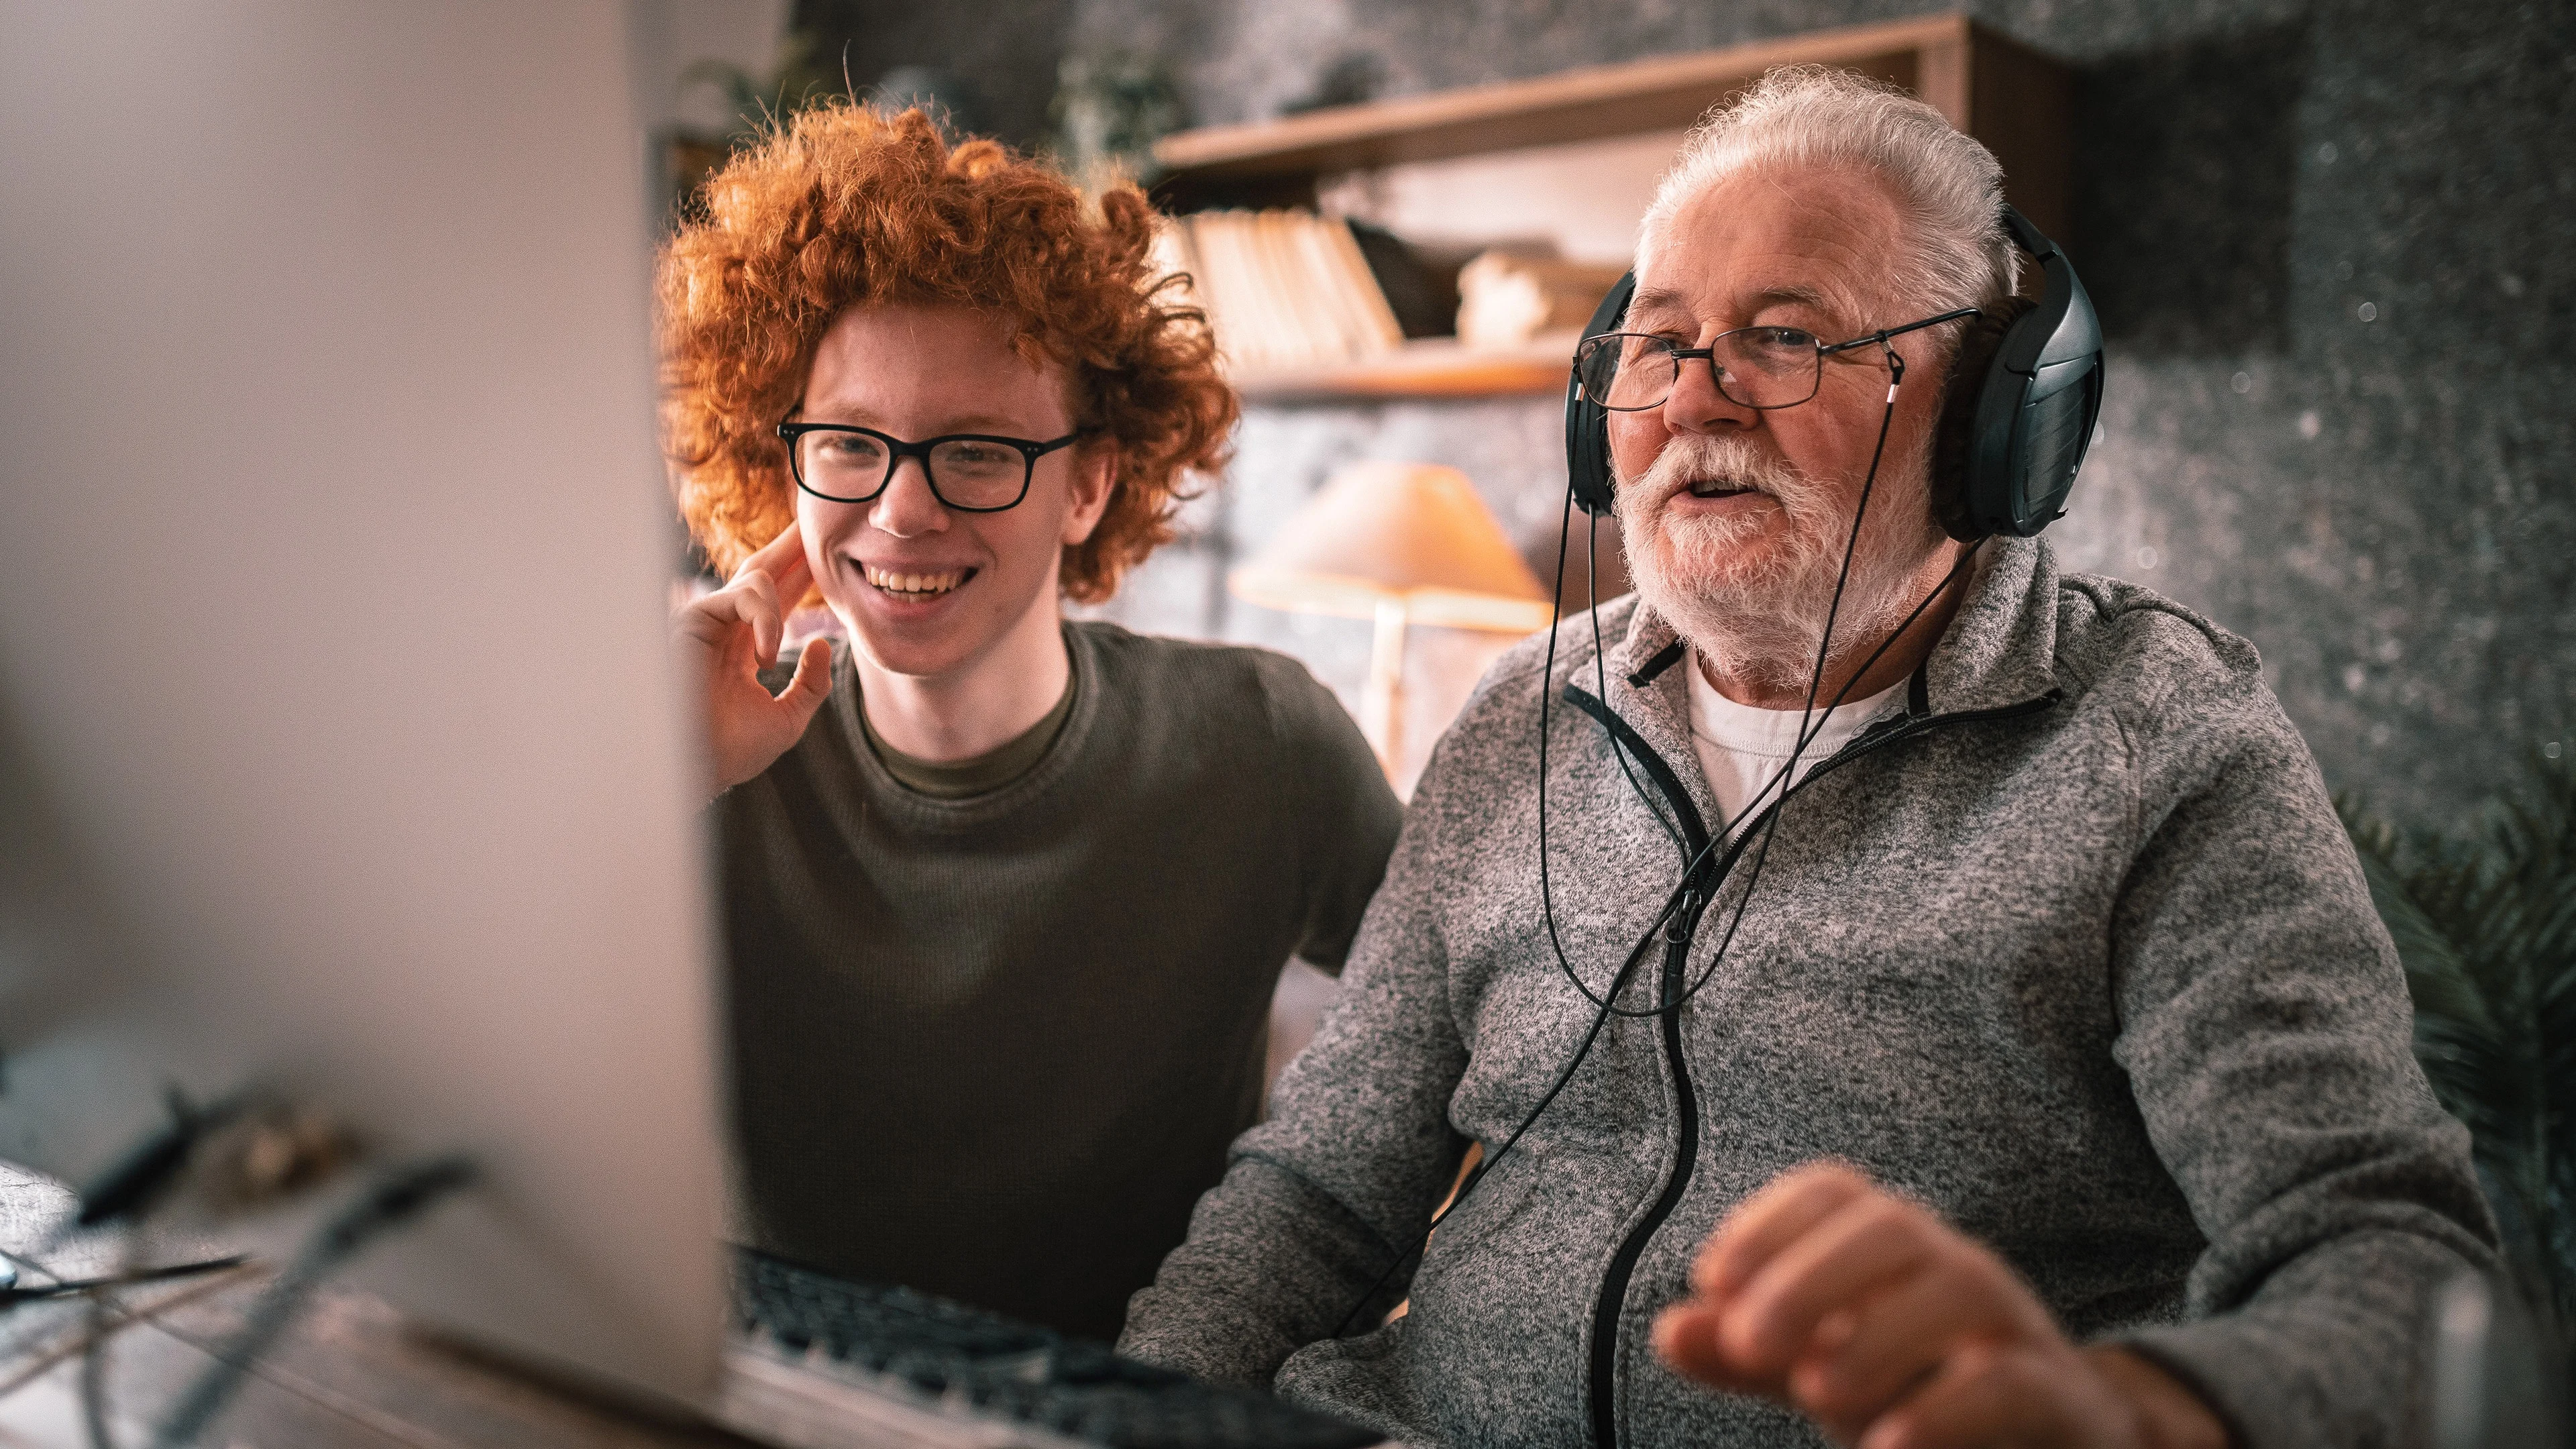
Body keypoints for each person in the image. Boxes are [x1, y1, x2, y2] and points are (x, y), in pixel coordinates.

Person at [1118, 68, 2496, 1448]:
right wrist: (1117, 1412)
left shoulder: (2159, 744)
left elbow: (2382, 1263)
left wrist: (2132, 1415)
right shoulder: (1516, 717)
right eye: (1658, 345)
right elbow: (1317, 1197)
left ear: (1988, 421)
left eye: (1785, 339)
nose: (1696, 402)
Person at [657, 105, 1402, 1343]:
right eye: (850, 444)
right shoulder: (701, 749)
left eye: (978, 451)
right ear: (785, 464)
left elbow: (1481, 1035)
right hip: (765, 1398)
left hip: (1137, 1408)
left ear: (1090, 483)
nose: (901, 511)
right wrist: (647, 780)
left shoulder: (1265, 745)